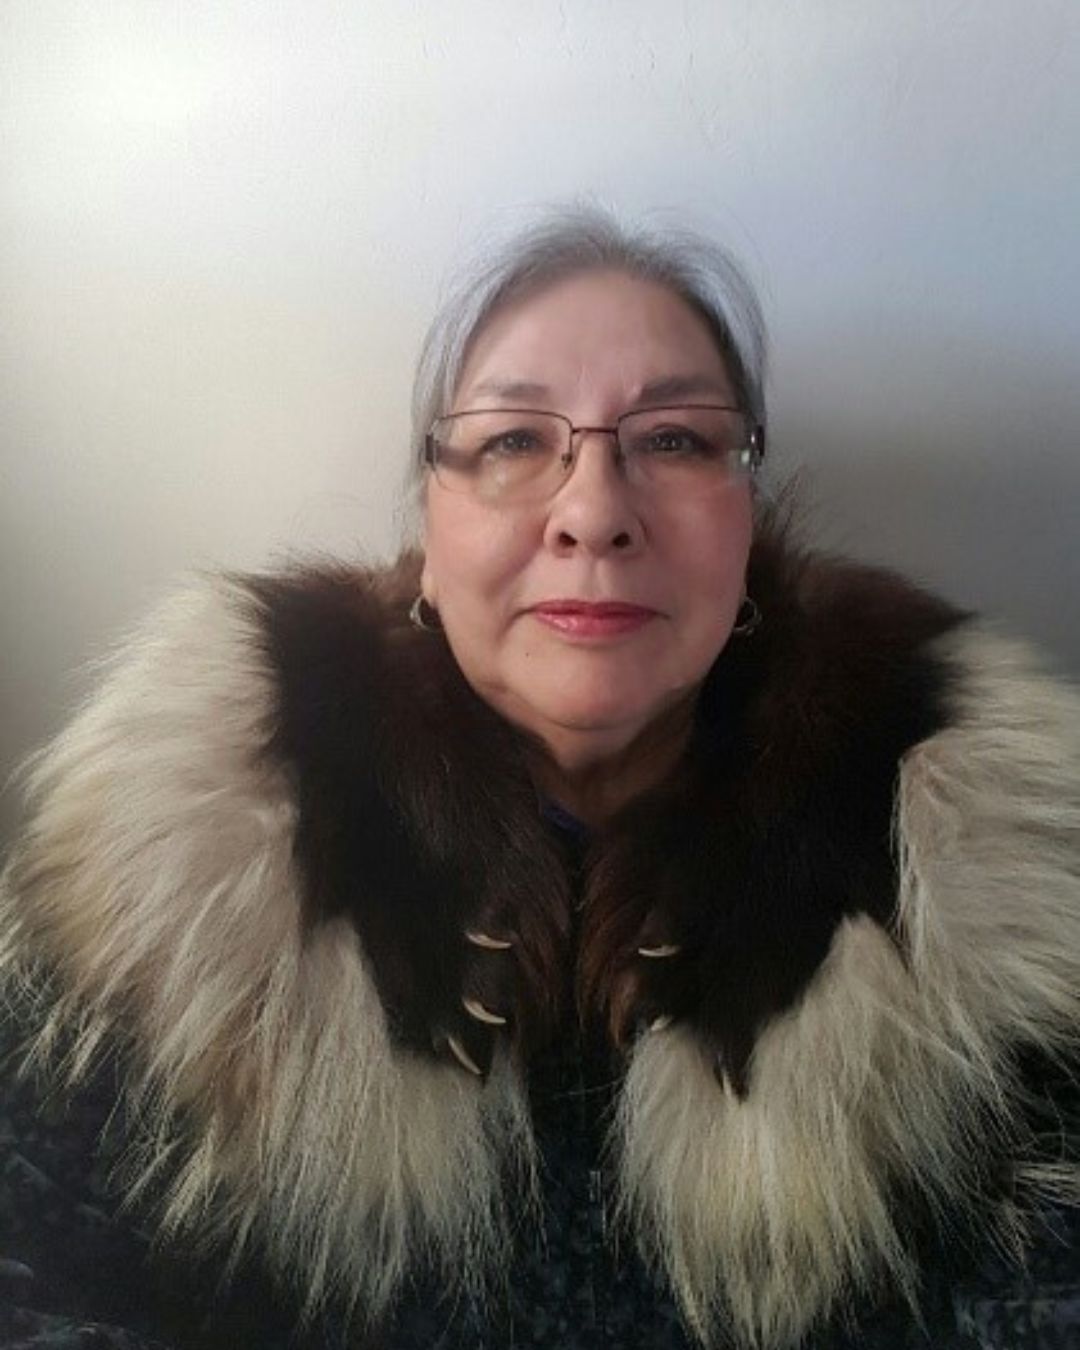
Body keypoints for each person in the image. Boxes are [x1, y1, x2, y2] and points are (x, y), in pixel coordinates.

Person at [1, 207, 1078, 1350]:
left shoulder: (968, 882)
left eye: (673, 440)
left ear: (746, 514)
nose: (594, 514)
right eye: (514, 441)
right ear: (431, 516)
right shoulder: (183, 874)